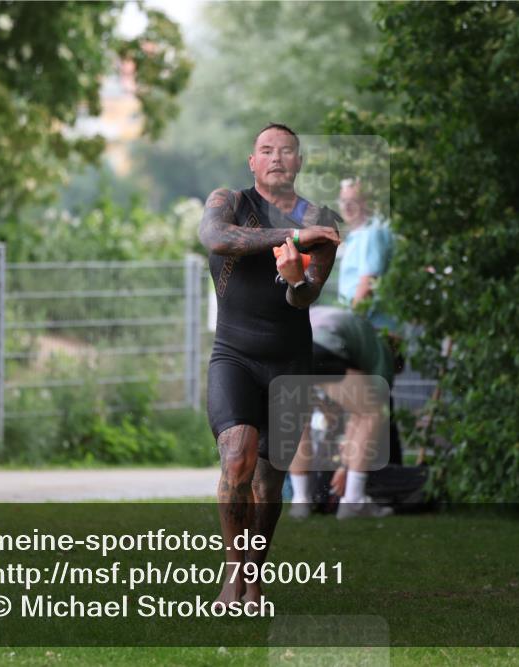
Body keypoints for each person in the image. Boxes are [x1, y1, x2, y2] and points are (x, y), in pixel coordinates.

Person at [199, 123, 342, 607]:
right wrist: (295, 236)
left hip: (289, 361)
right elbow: (216, 238)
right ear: (252, 162)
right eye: (266, 150)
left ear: (299, 163)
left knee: (268, 482)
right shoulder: (231, 203)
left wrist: (294, 277)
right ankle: (233, 573)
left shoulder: (322, 219)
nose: (277, 158)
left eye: (287, 151)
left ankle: (254, 576)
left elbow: (305, 298)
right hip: (234, 355)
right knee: (237, 456)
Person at [289, 306, 402, 520]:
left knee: (297, 422)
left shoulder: (357, 331)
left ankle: (301, 502)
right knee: (373, 413)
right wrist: (345, 467)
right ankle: (354, 501)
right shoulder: (382, 354)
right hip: (320, 345)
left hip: (285, 346)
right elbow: (363, 413)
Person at [336, 178, 396, 331]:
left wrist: (350, 327)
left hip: (374, 329)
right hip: (366, 326)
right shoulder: (357, 235)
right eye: (343, 201)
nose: (347, 206)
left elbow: (367, 285)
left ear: (365, 202)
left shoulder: (371, 233)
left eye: (353, 201)